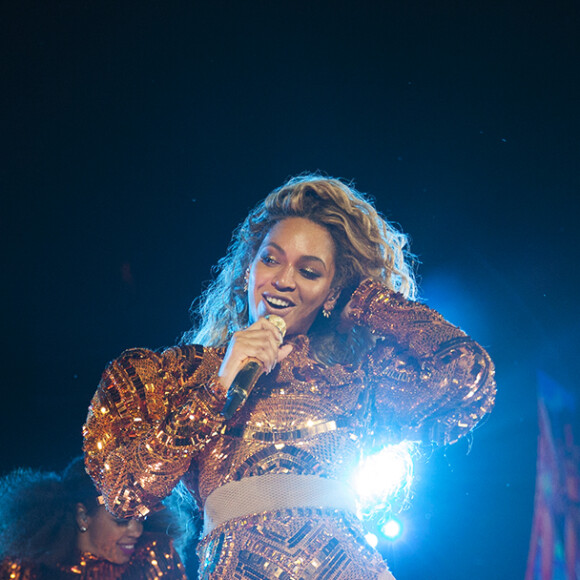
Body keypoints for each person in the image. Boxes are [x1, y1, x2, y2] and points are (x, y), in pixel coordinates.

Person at [83, 174, 496, 579]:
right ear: (248, 268)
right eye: (271, 259)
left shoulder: (355, 380)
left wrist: (370, 302)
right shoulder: (174, 375)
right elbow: (123, 492)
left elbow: (467, 377)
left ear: (332, 293)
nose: (283, 280)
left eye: (310, 272)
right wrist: (217, 388)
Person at [0, 456, 188, 579]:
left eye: (141, 517)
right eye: (122, 519)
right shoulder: (27, 568)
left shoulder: (154, 555)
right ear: (83, 516)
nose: (137, 530)